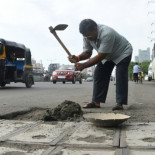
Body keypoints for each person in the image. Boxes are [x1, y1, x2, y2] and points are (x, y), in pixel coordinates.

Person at [68, 19, 133, 110]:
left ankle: (120, 103)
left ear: (95, 29)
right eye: (85, 36)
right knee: (99, 73)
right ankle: (96, 102)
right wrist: (78, 58)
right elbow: (87, 53)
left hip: (122, 52)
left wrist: (83, 65)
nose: (88, 38)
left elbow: (101, 56)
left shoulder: (107, 33)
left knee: (120, 75)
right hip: (108, 54)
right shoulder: (86, 36)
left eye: (89, 36)